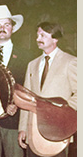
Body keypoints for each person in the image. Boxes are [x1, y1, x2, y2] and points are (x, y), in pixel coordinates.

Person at [0, 5, 33, 157]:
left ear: (13, 28)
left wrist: (17, 103)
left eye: (6, 24)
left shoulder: (26, 56)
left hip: (14, 122)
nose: (2, 28)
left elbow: (28, 87)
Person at [17, 22, 77, 157]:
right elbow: (25, 98)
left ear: (55, 38)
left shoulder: (70, 62)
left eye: (43, 35)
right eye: (37, 35)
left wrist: (63, 110)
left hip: (59, 131)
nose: (38, 39)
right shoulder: (32, 65)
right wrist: (22, 129)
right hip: (33, 131)